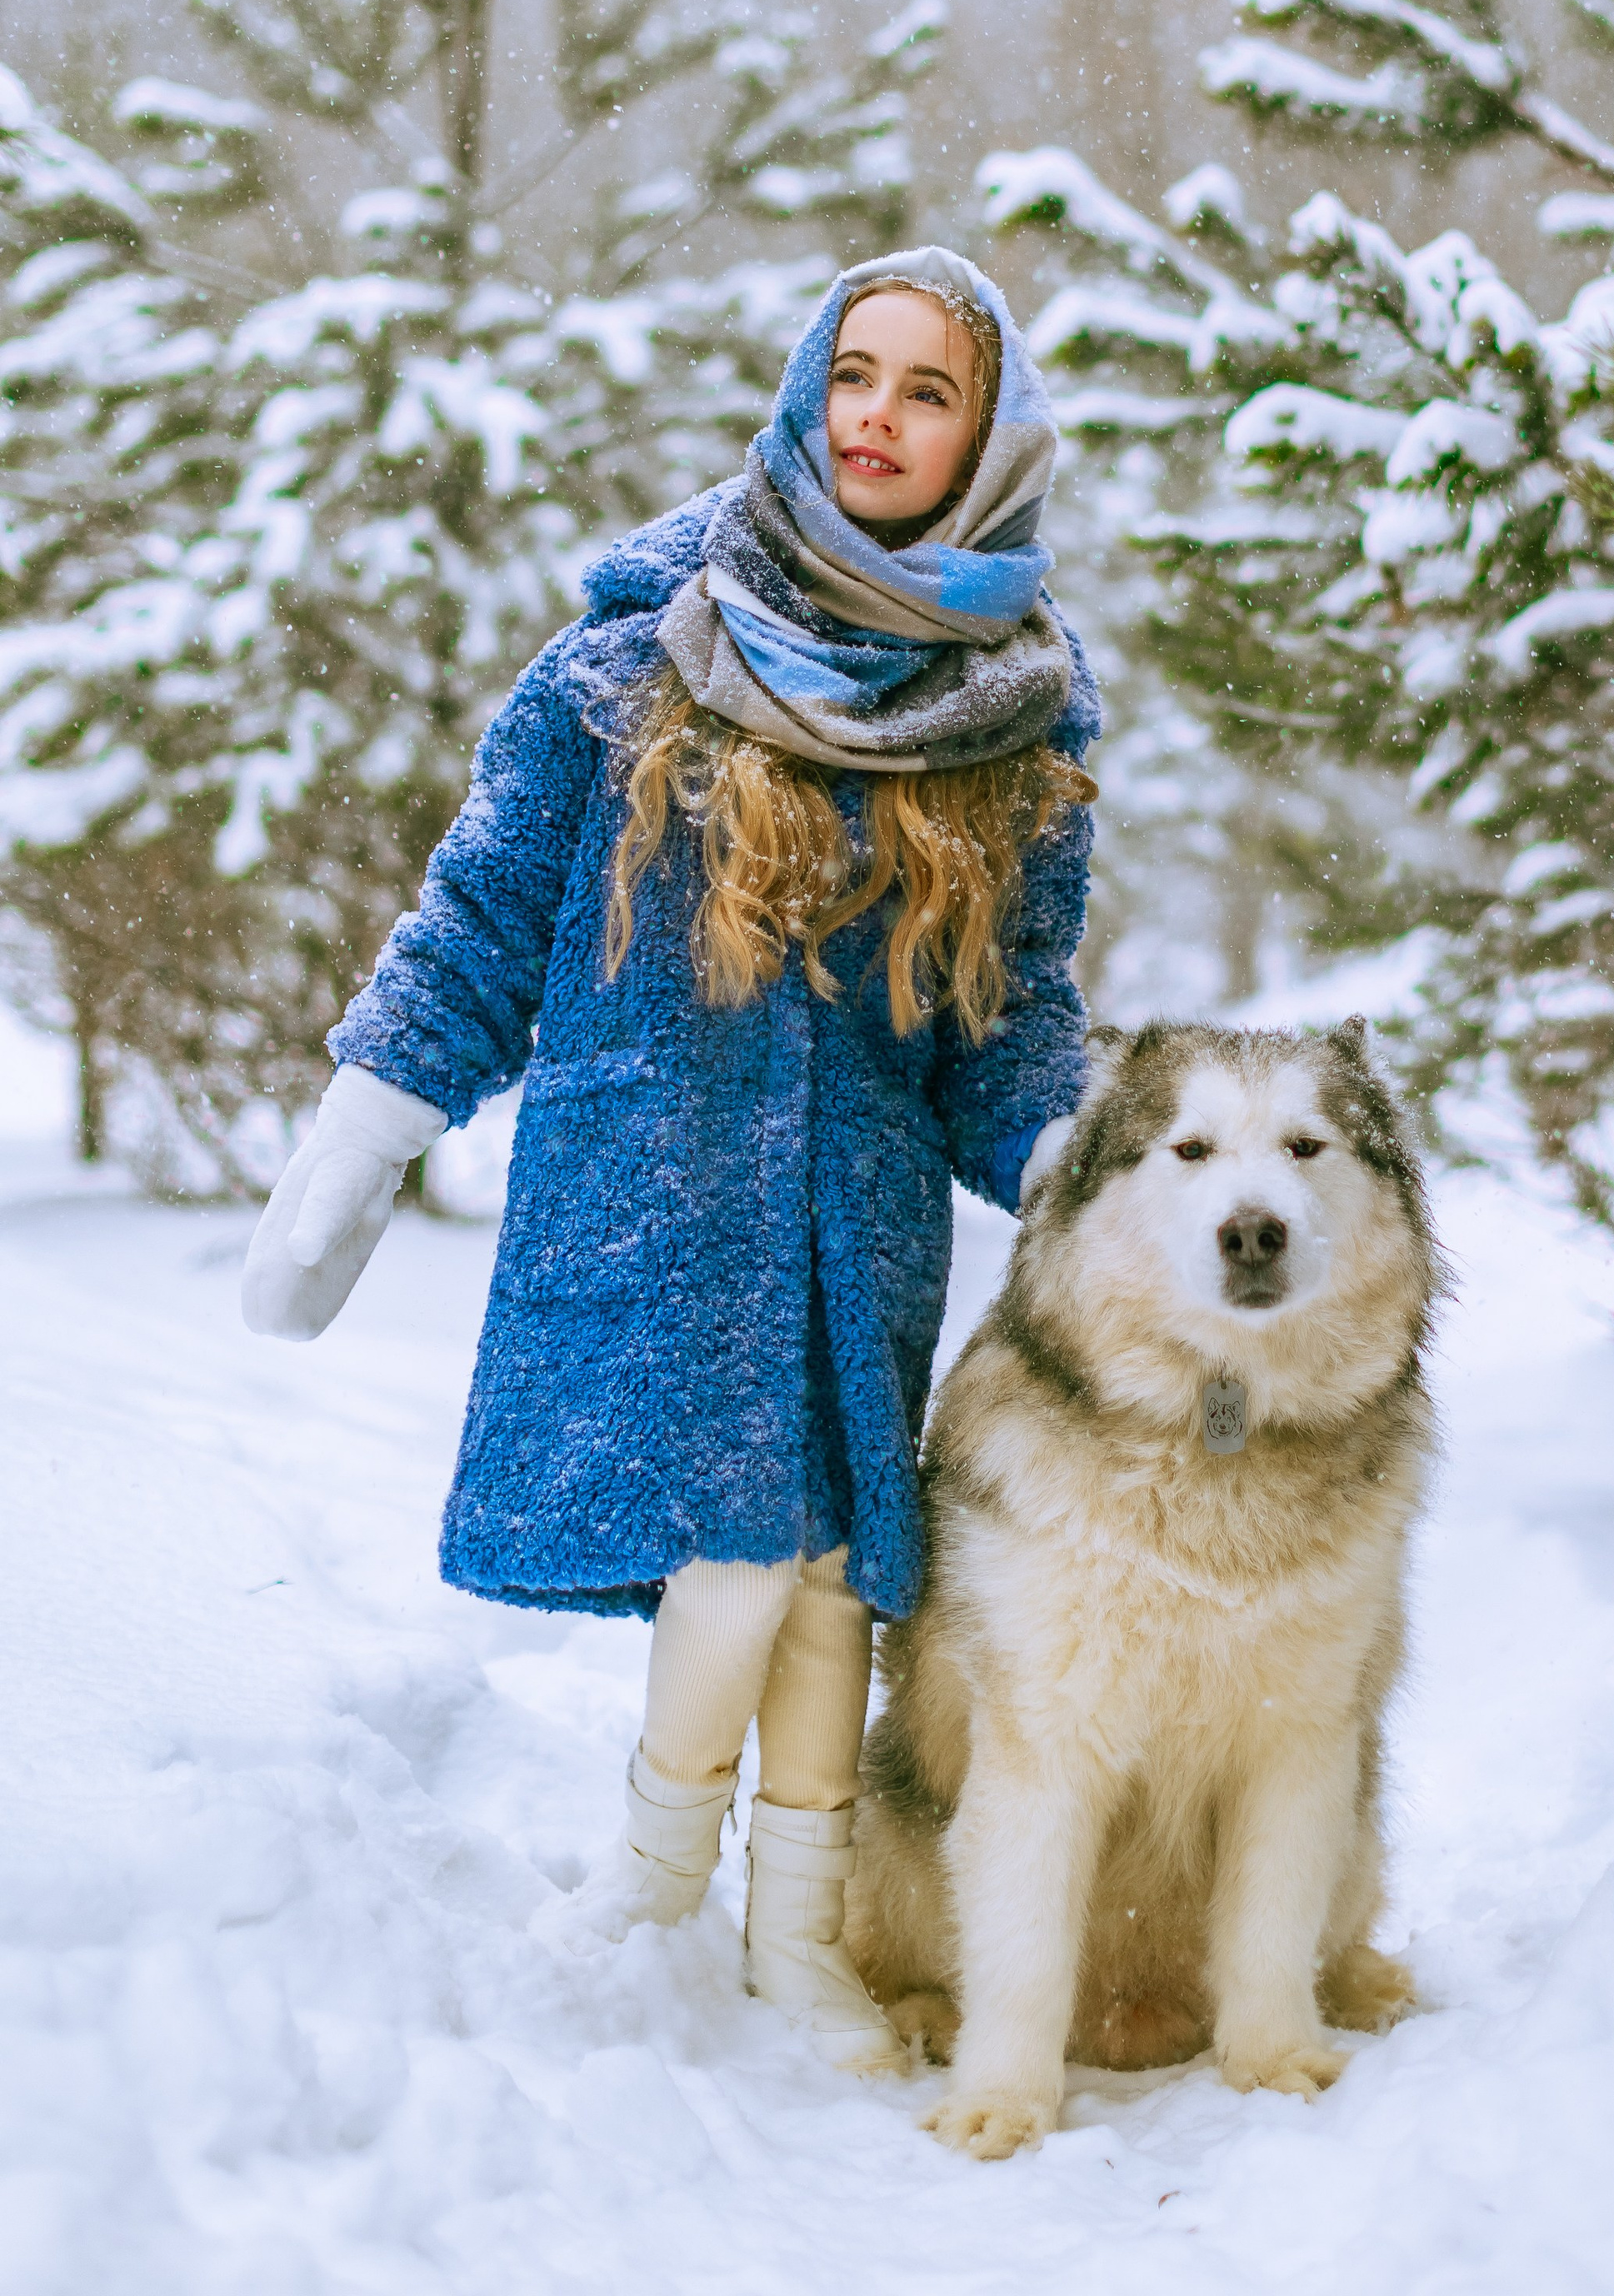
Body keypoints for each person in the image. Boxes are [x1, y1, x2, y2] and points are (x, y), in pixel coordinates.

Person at [241, 247, 1097, 2074]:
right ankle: (646, 1886)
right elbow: (486, 913)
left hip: (856, 1222)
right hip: (658, 1190)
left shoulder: (1010, 714)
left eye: (926, 390)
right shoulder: (636, 660)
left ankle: (794, 1934)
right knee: (728, 1555)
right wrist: (372, 1115)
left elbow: (1009, 1013)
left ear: (986, 437)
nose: (876, 417)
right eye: (853, 374)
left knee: (831, 1576)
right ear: (802, 391)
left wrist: (1074, 1172)